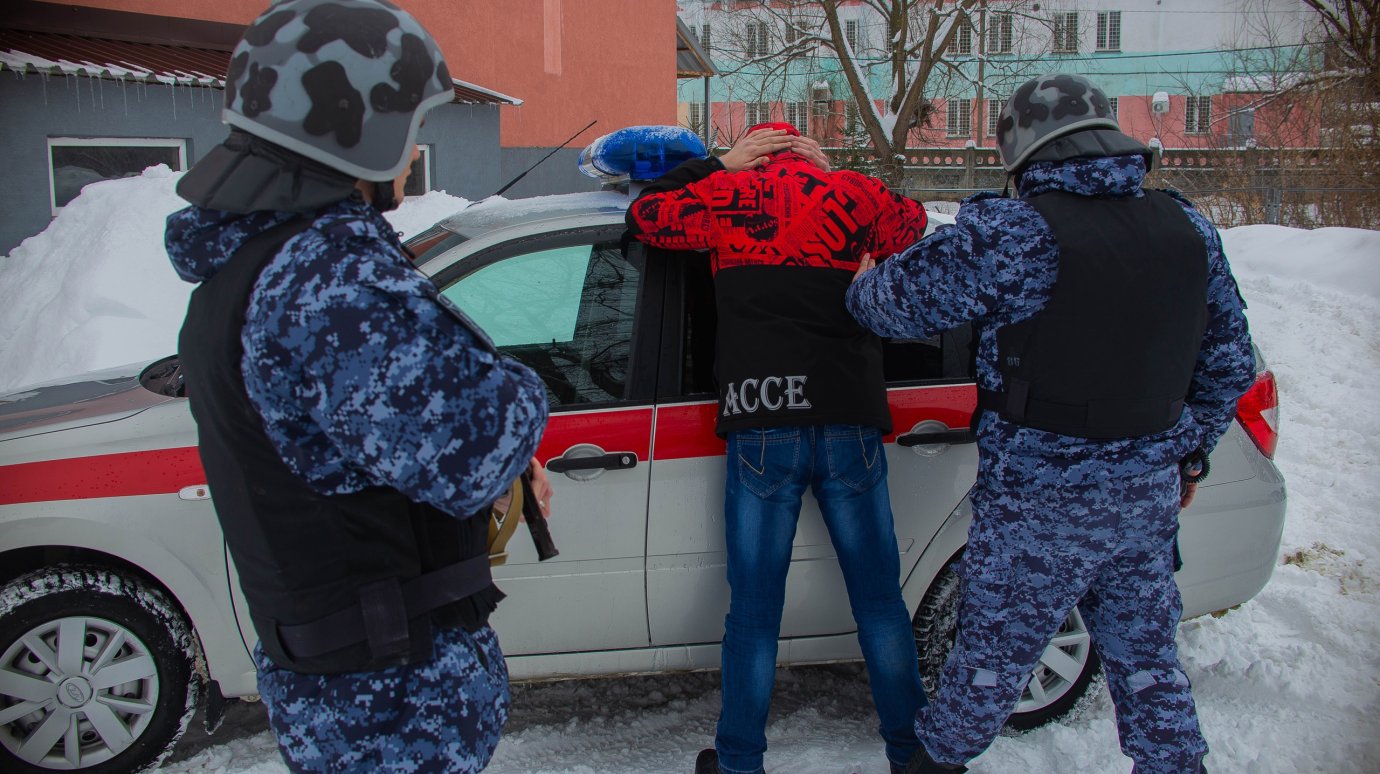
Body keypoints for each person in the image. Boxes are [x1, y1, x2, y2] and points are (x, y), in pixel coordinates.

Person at [165, 1, 550, 771]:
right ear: (356, 131)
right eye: (408, 127)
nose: (413, 152)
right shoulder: (329, 283)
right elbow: (474, 444)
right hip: (390, 707)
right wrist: (524, 395)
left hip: (348, 688)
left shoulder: (248, 267)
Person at [846, 73, 1256, 774]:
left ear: (1022, 152)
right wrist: (1186, 458)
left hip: (1040, 507)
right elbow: (1228, 367)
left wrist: (862, 277)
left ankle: (931, 765)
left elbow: (889, 309)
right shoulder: (1189, 229)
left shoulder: (1017, 234)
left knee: (987, 669)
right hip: (1143, 505)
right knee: (1151, 669)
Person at [625, 122, 930, 774]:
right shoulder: (849, 193)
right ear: (809, 155)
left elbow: (646, 215)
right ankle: (912, 753)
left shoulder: (725, 197)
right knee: (879, 603)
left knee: (755, 613)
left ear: (754, 153)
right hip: (848, 416)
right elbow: (913, 222)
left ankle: (739, 761)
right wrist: (856, 223)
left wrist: (716, 164)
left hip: (762, 418)